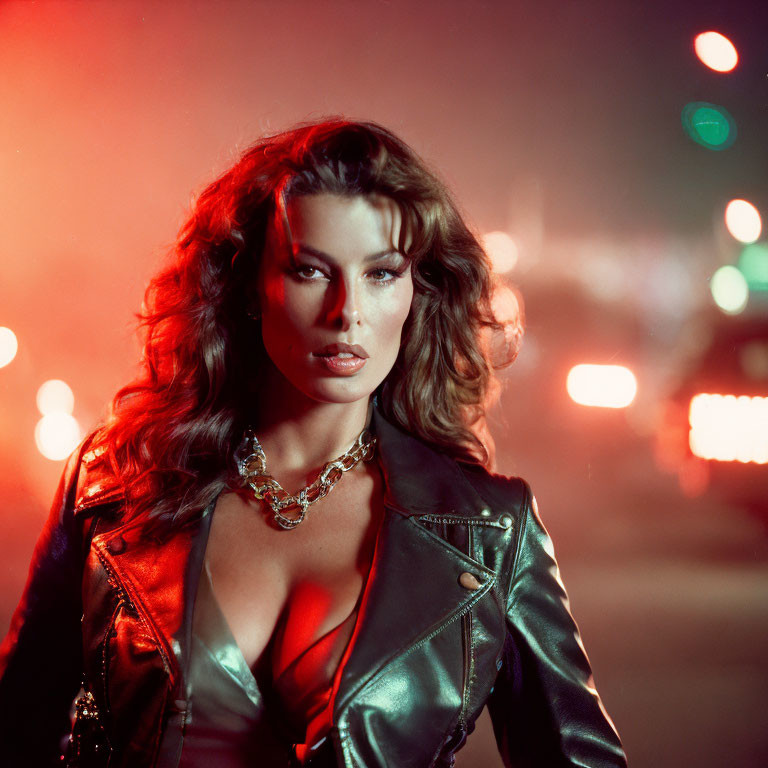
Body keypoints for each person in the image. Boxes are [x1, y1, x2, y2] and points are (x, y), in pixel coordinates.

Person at [0, 118, 627, 768]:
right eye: (310, 271)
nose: (346, 312)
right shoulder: (114, 480)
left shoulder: (491, 529)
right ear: (248, 288)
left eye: (382, 274)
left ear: (419, 292)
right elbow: (17, 733)